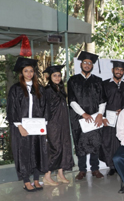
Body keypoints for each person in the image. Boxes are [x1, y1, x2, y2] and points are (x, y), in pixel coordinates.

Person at [7, 57, 48, 192]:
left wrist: (44, 124)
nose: (29, 73)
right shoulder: (16, 89)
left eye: (31, 71)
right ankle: (26, 181)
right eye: (26, 71)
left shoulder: (40, 89)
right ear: (22, 73)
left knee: (37, 151)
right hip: (22, 127)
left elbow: (45, 107)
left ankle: (36, 179)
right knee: (24, 153)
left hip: (37, 126)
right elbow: (12, 108)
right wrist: (19, 126)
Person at [68, 51, 106, 180]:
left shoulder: (98, 81)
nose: (87, 65)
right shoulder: (73, 80)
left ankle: (95, 169)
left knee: (95, 142)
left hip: (95, 116)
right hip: (78, 118)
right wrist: (83, 114)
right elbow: (72, 100)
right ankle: (82, 170)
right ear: (81, 64)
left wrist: (100, 114)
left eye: (90, 63)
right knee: (80, 143)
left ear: (92, 66)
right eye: (85, 62)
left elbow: (102, 100)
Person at [42, 65, 74, 186]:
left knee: (64, 147)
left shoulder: (60, 89)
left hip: (63, 122)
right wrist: (45, 124)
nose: (57, 77)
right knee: (54, 149)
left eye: (59, 75)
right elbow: (44, 108)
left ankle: (60, 174)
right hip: (52, 123)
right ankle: (47, 176)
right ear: (49, 77)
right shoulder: (47, 90)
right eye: (54, 75)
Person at [100, 61, 124, 176]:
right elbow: (101, 101)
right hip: (109, 118)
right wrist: (102, 116)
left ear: (123, 72)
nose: (119, 72)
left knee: (122, 140)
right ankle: (112, 165)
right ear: (112, 70)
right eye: (117, 69)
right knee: (110, 141)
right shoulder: (105, 84)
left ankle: (122, 164)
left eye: (121, 70)